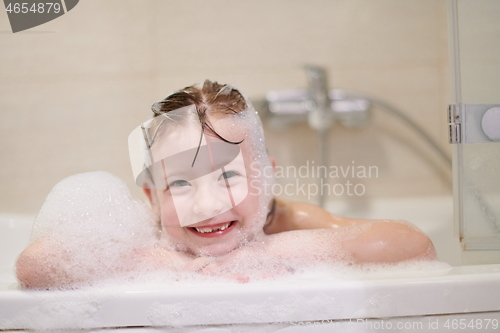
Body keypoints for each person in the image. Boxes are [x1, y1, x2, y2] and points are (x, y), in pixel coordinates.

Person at [16, 80, 436, 289]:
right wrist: (176, 266)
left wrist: (268, 251)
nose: (207, 203)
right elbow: (33, 265)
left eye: (229, 176)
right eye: (179, 183)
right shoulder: (147, 231)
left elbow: (413, 244)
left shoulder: (288, 220)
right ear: (150, 196)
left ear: (265, 177)